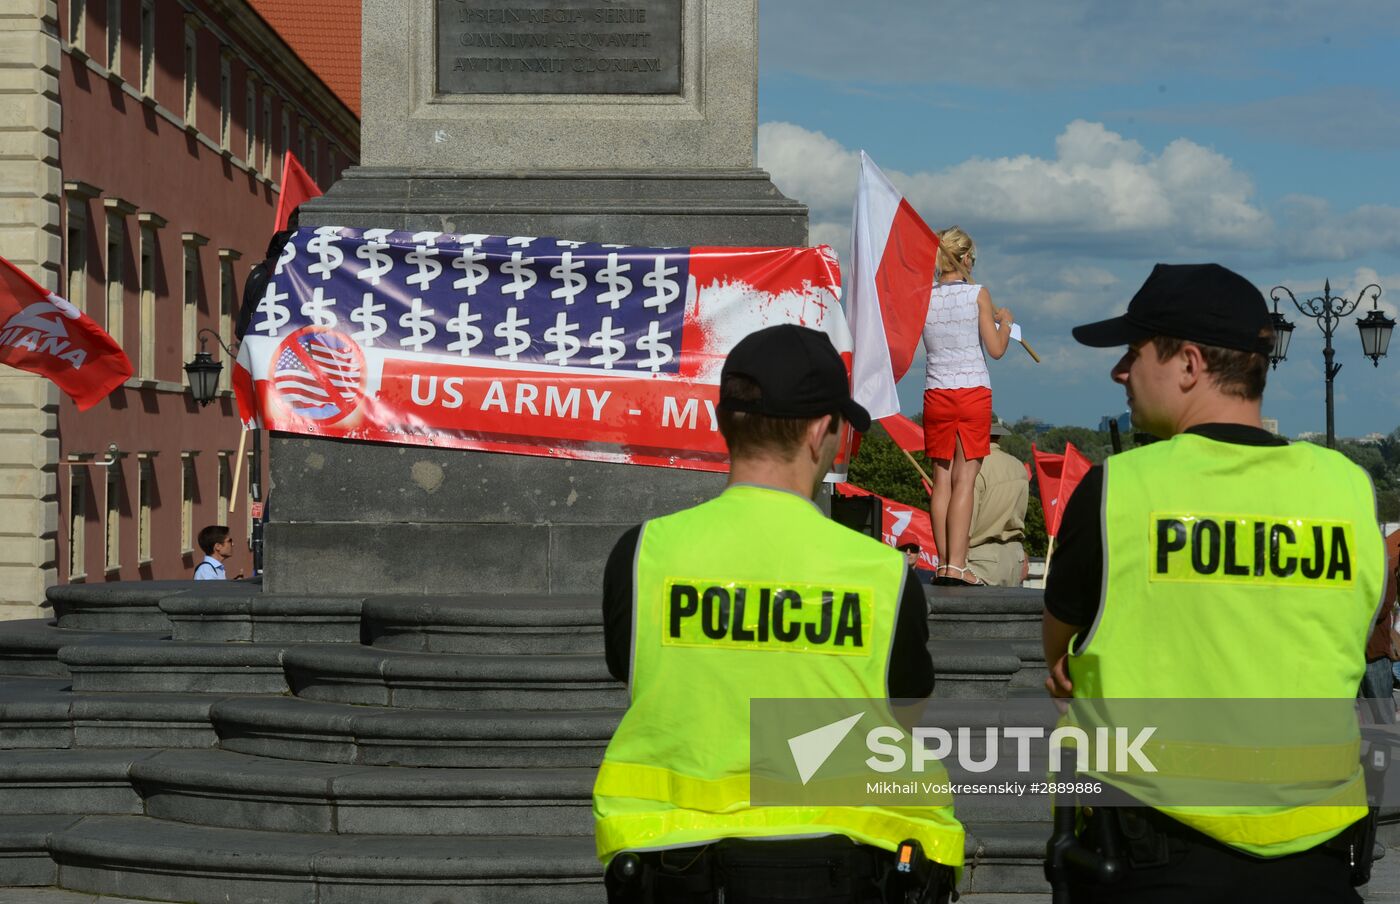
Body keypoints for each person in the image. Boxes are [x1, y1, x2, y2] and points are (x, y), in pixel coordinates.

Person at [1041, 263, 1386, 903]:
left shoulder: (1119, 489)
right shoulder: (1349, 490)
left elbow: (1060, 651)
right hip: (1318, 864)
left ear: (1190, 363)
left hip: (1153, 856)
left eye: (1133, 352)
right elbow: (1358, 639)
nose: (1120, 372)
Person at [594, 324, 963, 904]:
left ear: (726, 423)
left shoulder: (641, 555)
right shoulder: (883, 575)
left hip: (669, 868)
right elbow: (904, 711)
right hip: (842, 865)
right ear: (821, 433)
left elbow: (634, 673)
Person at [920, 227, 1015, 586]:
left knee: (941, 478)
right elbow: (995, 349)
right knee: (966, 479)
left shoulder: (924, 297)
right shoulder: (978, 294)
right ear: (964, 258)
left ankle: (944, 563)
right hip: (972, 391)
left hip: (936, 392)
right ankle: (959, 566)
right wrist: (1003, 322)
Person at [965, 422, 1029, 587]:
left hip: (980, 560)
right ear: (998, 436)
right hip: (1015, 556)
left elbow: (965, 525)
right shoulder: (1018, 465)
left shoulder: (972, 467)